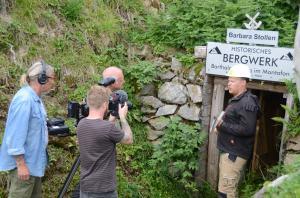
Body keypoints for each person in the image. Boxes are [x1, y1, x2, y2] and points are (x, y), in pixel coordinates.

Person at [0, 60, 56, 198]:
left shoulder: (35, 99)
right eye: (52, 78)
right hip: (25, 167)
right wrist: (21, 164)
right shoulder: (25, 100)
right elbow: (15, 135)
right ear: (42, 78)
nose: (54, 82)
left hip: (34, 165)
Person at [77, 85, 133, 198]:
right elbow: (128, 139)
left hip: (86, 187)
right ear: (105, 104)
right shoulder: (107, 128)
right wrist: (122, 117)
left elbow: (101, 135)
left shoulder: (81, 124)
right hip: (104, 190)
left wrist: (111, 119)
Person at [216, 64, 260, 198]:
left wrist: (222, 125)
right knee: (225, 190)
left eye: (232, 81)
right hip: (229, 151)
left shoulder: (247, 102)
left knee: (227, 192)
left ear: (243, 83)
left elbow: (248, 129)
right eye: (228, 81)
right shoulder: (237, 100)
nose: (228, 84)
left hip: (233, 154)